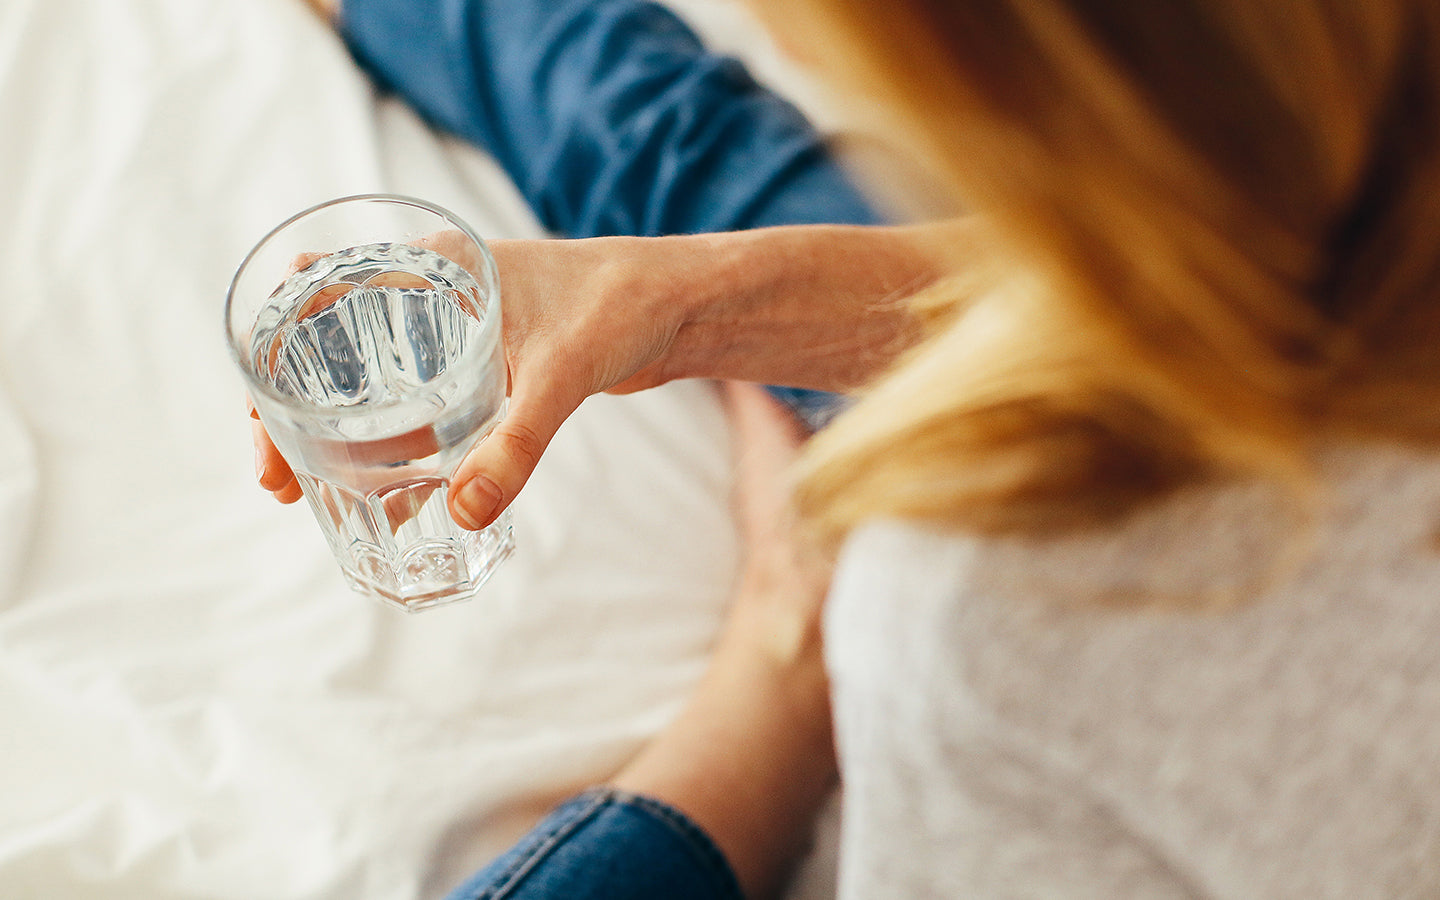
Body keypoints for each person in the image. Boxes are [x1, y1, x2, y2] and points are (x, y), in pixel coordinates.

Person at [262, 0, 1440, 897]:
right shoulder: (1372, 145)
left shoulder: (999, 605)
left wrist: (821, 637)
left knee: (691, 161)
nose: (805, 45)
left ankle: (780, 671)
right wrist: (688, 303)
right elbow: (1238, 271)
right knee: (689, 170)